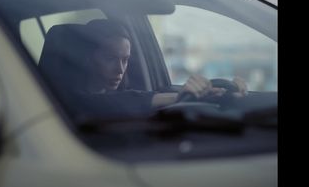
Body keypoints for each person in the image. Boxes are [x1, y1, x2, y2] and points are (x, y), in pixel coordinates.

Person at [56, 19, 247, 121]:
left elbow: (139, 96)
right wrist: (179, 95)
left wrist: (218, 93)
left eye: (125, 60)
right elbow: (109, 103)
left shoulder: (121, 92)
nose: (120, 69)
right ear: (89, 59)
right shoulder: (66, 101)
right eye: (110, 58)